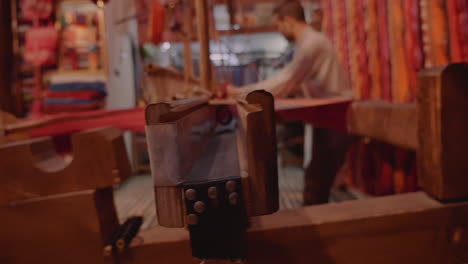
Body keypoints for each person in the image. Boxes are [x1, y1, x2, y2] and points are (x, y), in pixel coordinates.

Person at [229, 1, 354, 205]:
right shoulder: (309, 43)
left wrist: (241, 92)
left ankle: (316, 229)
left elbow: (287, 80)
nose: (279, 31)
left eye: (278, 25)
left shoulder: (312, 43)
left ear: (288, 21)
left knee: (316, 183)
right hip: (330, 117)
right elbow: (290, 82)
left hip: (337, 116)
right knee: (316, 178)